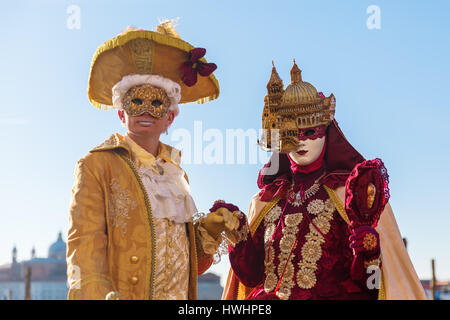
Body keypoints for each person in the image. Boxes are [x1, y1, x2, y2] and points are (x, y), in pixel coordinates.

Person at [221, 61, 427, 300]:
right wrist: (236, 235)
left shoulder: (353, 196)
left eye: (309, 132)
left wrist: (368, 252)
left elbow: (371, 286)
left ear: (326, 131)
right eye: (291, 134)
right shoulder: (267, 201)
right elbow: (251, 276)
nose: (300, 142)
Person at [67, 21, 239, 300]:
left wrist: (207, 231)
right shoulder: (96, 165)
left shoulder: (176, 175)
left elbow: (180, 261)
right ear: (121, 114)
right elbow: (84, 247)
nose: (146, 111)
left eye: (157, 104)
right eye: (135, 102)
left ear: (170, 116)